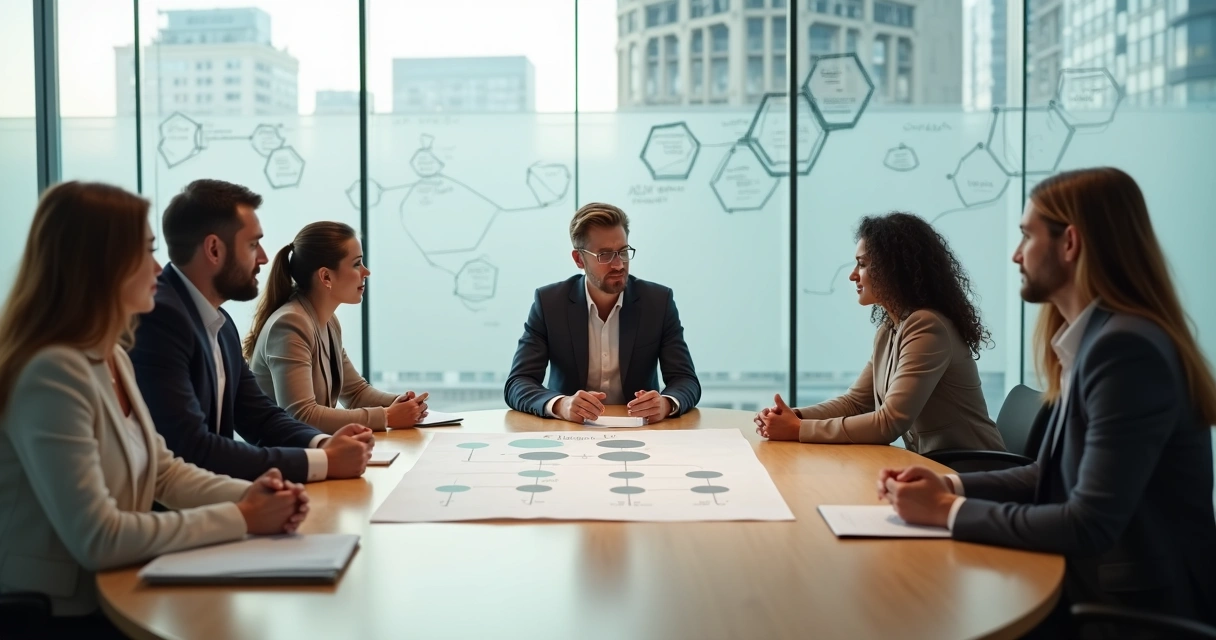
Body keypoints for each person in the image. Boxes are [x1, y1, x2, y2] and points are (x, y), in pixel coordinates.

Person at [879, 168, 1216, 626]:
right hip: (1093, 581)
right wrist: (950, 486)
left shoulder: (1126, 351)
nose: (1016, 255)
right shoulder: (1098, 339)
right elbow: (1051, 473)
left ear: (1070, 243)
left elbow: (1087, 522)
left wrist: (947, 512)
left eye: (1026, 236)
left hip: (1129, 605)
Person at [0, 182, 307, 635]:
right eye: (144, 251)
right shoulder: (52, 371)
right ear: (100, 265)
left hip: (117, 590)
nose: (158, 266)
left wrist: (252, 494)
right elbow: (99, 539)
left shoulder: (112, 356)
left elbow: (164, 470)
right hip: (58, 616)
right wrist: (242, 517)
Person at [131, 179, 373, 484]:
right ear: (214, 249)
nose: (263, 257)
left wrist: (324, 443)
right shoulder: (161, 320)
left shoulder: (220, 322)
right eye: (252, 244)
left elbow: (260, 416)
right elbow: (192, 448)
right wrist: (322, 461)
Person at [756, 212, 1006, 454]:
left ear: (893, 269)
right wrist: (793, 416)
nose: (853, 275)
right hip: (940, 468)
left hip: (974, 468)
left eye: (862, 264)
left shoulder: (927, 326)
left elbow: (889, 423)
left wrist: (798, 429)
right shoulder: (890, 330)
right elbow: (854, 403)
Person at [505, 202, 700, 423]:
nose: (618, 265)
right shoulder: (550, 303)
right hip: (571, 432)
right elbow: (518, 383)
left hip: (641, 430)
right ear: (579, 259)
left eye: (623, 252)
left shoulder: (657, 302)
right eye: (605, 255)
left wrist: (667, 403)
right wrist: (561, 404)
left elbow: (685, 380)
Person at [245, 221, 430, 432]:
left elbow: (355, 393)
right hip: (284, 459)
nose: (366, 272)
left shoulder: (328, 321)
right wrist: (387, 416)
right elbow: (301, 415)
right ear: (326, 276)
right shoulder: (289, 324)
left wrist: (402, 403)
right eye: (356, 264)